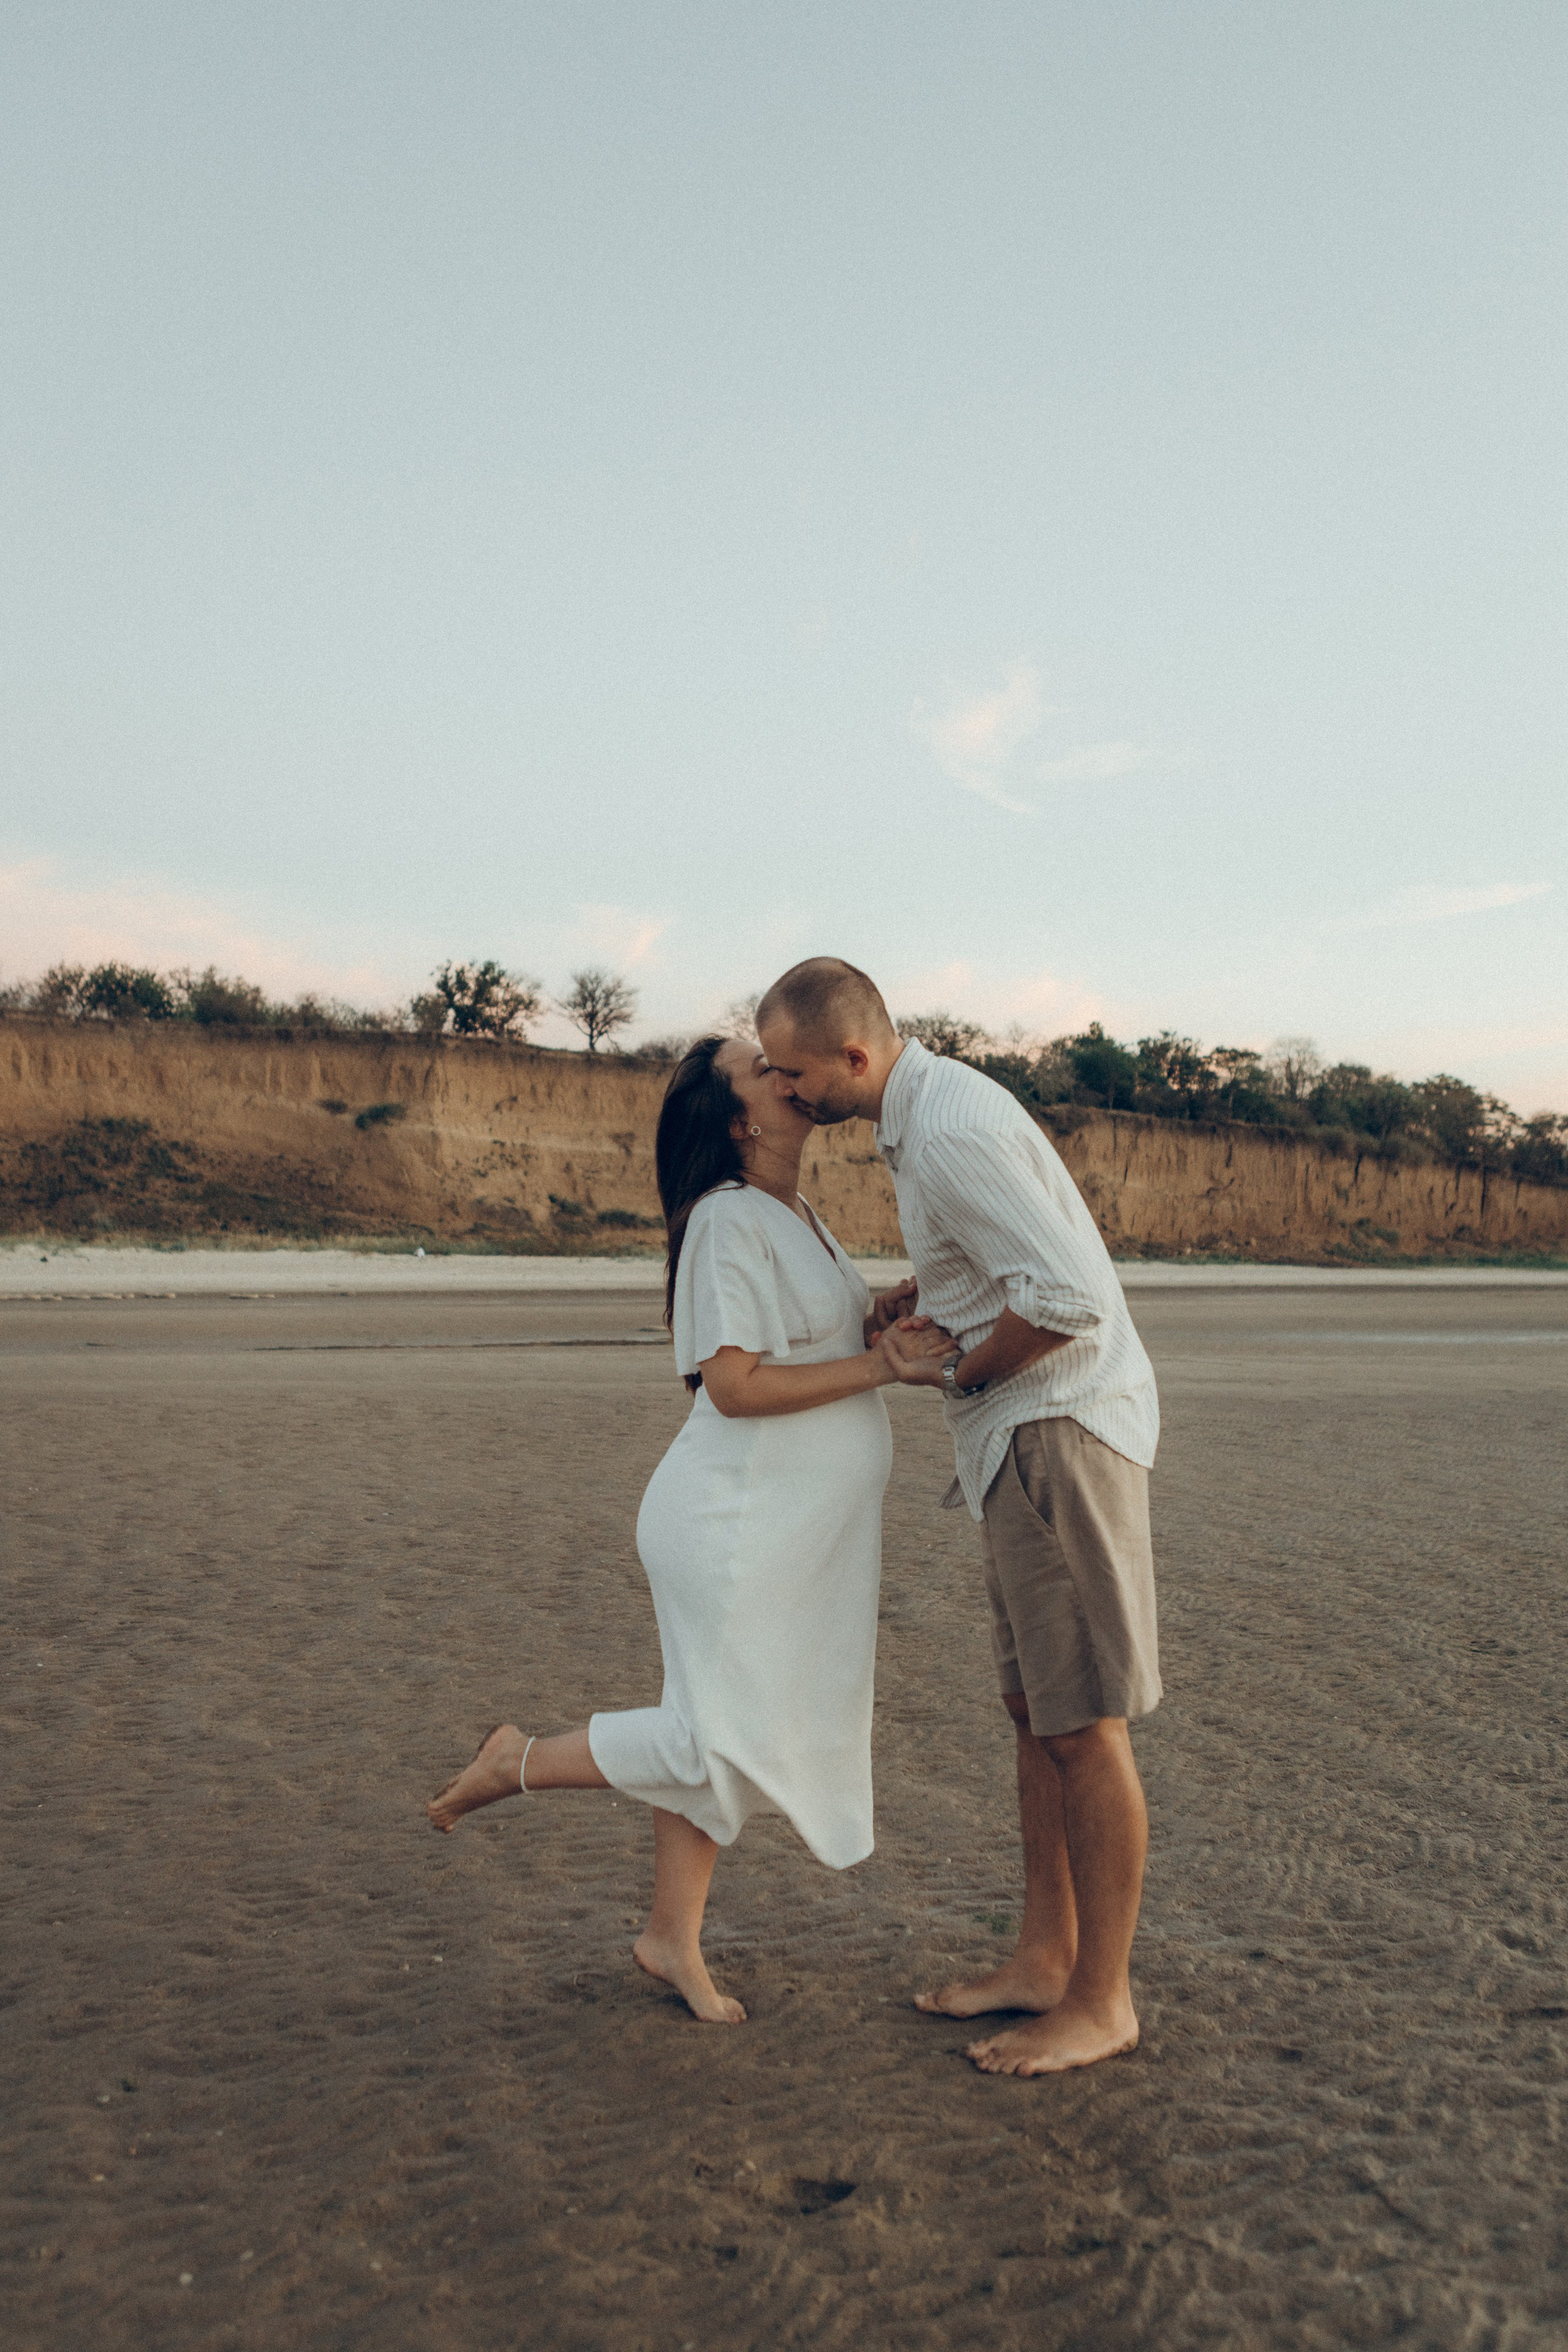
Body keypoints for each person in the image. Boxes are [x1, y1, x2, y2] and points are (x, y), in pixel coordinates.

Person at [426, 1031, 950, 2025]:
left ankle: (671, 1938)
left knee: (720, 1728)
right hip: (733, 1526)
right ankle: (518, 1761)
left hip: (784, 1534)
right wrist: (883, 1370)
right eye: (766, 1069)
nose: (790, 1073)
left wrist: (875, 1320)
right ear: (741, 1119)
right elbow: (736, 1383)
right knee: (710, 1735)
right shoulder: (724, 1221)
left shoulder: (795, 1215)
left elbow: (801, 1344)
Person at [756, 958, 1161, 2077]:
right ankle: (1045, 1957)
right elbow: (1011, 1266)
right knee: (1037, 1709)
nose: (785, 1093)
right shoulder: (919, 1116)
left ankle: (1103, 1999)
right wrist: (927, 1298)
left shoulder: (946, 1132)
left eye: (795, 1074)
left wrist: (971, 1375)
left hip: (1056, 1433)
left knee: (1084, 1724)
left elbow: (1069, 1300)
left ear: (853, 1056)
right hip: (1021, 1443)